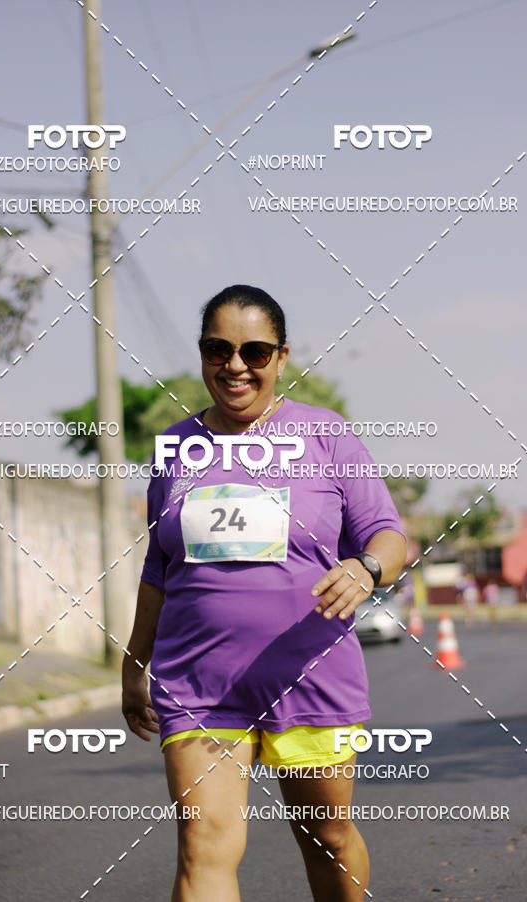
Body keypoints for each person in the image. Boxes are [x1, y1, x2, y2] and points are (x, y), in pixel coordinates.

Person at [122, 285, 407, 902]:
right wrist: (134, 661)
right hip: (198, 681)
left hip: (309, 673)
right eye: (217, 349)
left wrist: (364, 569)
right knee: (203, 847)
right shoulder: (175, 451)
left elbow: (389, 536)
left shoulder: (327, 437)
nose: (235, 365)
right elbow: (158, 566)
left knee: (326, 836)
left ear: (281, 357)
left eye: (254, 350)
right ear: (202, 356)